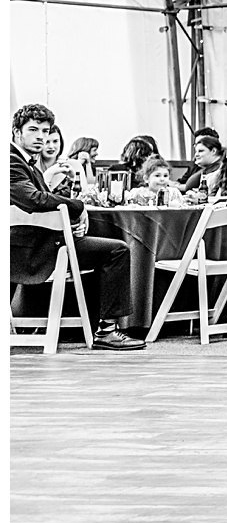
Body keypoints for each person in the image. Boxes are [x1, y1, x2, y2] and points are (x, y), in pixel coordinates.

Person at [10, 104, 144, 350]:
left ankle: (91, 326)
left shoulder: (24, 161)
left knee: (103, 250)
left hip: (34, 242)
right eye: (33, 130)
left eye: (45, 130)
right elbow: (33, 200)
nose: (40, 136)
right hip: (28, 250)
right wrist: (77, 206)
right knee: (117, 251)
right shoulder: (11, 160)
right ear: (17, 133)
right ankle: (106, 330)